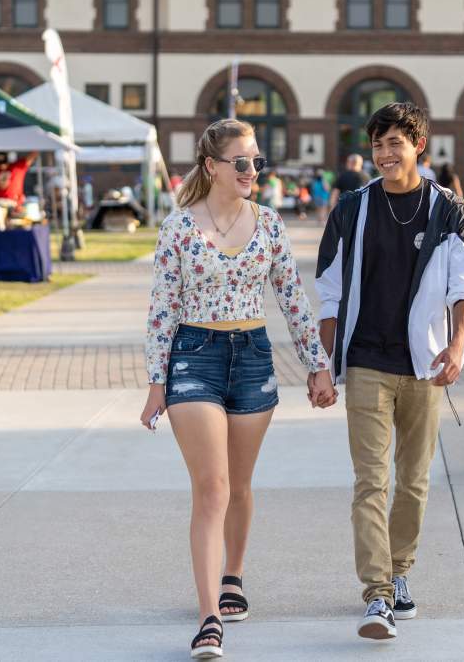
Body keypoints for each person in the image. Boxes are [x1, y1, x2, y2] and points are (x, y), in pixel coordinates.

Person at [140, 118, 336, 660]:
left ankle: (234, 576)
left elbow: (293, 301)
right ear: (212, 167)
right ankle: (208, 619)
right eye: (241, 162)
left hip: (251, 358)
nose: (252, 171)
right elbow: (163, 308)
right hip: (193, 359)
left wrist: (317, 365)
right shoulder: (179, 227)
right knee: (212, 487)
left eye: (256, 161)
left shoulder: (269, 224)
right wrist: (157, 382)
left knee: (241, 486)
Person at [314, 102, 464, 641]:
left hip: (425, 366)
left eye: (396, 143)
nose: (386, 154)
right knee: (372, 480)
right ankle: (377, 595)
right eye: (378, 144)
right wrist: (325, 364)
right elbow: (328, 293)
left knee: (413, 482)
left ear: (419, 145)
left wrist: (458, 344)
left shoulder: (449, 211)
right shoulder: (352, 208)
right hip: (367, 361)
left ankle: (400, 572)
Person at [0, 151, 38, 227]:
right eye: (0, 163)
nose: (2, 165)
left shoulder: (16, 167)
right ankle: (1, 231)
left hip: (14, 202)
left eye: (3, 162)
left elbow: (32, 156)